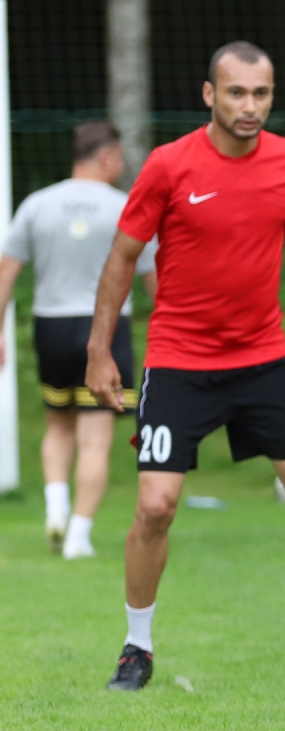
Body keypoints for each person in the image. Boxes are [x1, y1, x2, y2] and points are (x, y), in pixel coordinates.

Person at [86, 40, 285, 690]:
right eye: (236, 93)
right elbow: (122, 257)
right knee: (156, 506)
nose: (249, 106)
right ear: (210, 95)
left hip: (263, 359)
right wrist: (99, 349)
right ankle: (136, 648)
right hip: (178, 360)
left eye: (261, 93)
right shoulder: (169, 166)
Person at [0, 120, 156, 558]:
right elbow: (153, 277)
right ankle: (79, 535)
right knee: (95, 437)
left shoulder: (37, 204)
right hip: (104, 328)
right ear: (105, 157)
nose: (120, 166)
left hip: (50, 326)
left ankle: (56, 508)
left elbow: (7, 270)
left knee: (58, 425)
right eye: (119, 158)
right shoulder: (124, 207)